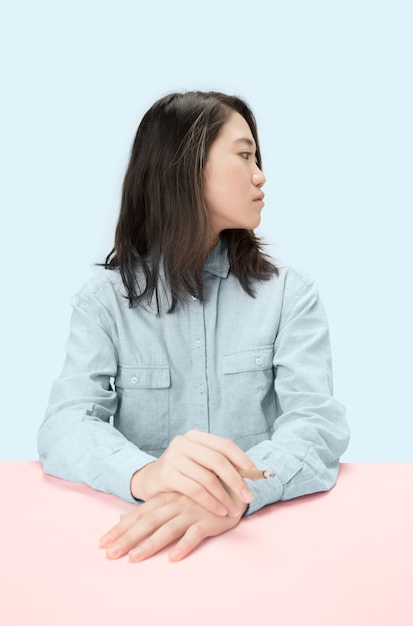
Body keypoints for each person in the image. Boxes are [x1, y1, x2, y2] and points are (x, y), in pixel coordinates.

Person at [38, 91, 350, 563]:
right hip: (135, 555)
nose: (260, 175)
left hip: (267, 553)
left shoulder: (290, 296)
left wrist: (231, 495)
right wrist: (147, 475)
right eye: (244, 155)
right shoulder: (103, 303)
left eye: (257, 157)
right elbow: (64, 426)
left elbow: (316, 427)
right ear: (184, 168)